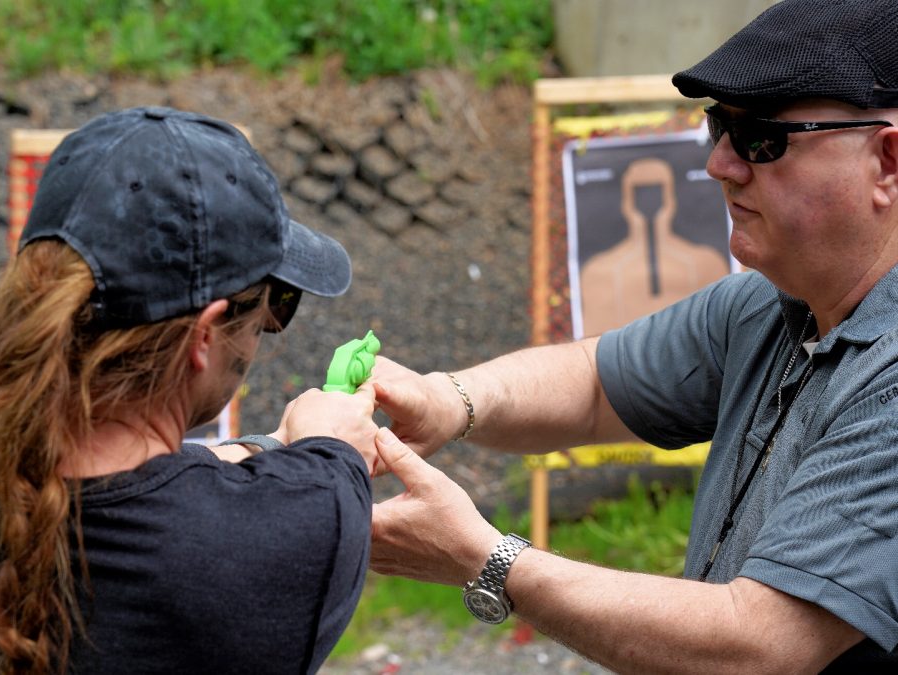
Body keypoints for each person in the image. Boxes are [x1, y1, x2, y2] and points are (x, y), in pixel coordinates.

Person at [368, 0, 898, 671]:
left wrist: (489, 561)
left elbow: (764, 644)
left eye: (761, 137)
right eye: (718, 127)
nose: (720, 165)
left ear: (887, 158)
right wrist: (447, 398)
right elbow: (595, 384)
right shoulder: (774, 305)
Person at [0, 107, 378, 675]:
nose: (269, 325)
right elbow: (282, 489)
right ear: (202, 336)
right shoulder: (298, 532)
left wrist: (261, 449)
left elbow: (125, 489)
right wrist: (331, 440)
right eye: (273, 303)